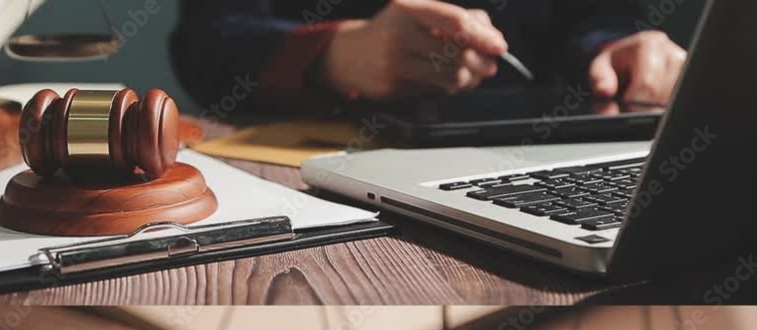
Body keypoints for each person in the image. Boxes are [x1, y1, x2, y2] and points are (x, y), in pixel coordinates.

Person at [170, 0, 687, 114]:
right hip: (320, 159)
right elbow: (206, 40)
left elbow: (597, 15)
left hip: (541, 141)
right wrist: (333, 53)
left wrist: (616, 47)